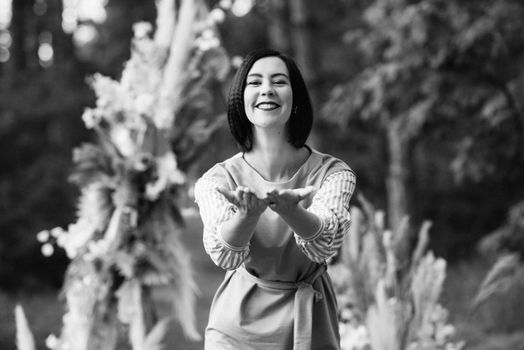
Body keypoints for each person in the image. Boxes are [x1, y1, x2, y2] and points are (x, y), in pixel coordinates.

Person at [194, 48, 356, 350]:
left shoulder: (334, 173)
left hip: (310, 321)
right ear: (241, 100)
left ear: (296, 99)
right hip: (237, 327)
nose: (266, 89)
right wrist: (247, 215)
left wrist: (291, 212)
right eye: (254, 82)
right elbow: (224, 255)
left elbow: (325, 245)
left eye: (278, 81)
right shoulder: (215, 181)